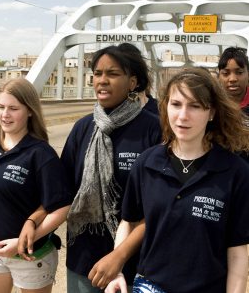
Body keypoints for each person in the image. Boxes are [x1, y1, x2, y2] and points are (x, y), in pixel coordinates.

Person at [103, 67, 249, 292]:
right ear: (165, 107)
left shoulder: (234, 172)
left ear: (212, 113)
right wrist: (117, 270)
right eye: (176, 104)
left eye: (195, 106)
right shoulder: (146, 164)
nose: (182, 116)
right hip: (150, 286)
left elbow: (237, 250)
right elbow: (129, 221)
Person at [61, 44, 162, 292]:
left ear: (132, 82)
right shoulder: (83, 128)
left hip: (136, 263)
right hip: (85, 259)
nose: (102, 81)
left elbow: (160, 205)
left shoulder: (153, 129)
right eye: (97, 73)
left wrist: (119, 256)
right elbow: (62, 190)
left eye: (113, 74)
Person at [0, 78, 71, 293]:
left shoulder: (41, 154)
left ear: (29, 111)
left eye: (13, 108)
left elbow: (61, 208)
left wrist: (22, 241)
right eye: (1, 107)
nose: (5, 114)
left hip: (31, 256)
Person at [218, 46, 249, 117]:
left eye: (239, 72)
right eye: (226, 73)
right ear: (219, 76)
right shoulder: (212, 104)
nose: (232, 79)